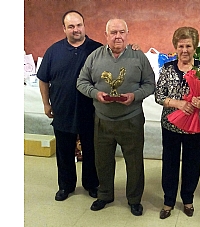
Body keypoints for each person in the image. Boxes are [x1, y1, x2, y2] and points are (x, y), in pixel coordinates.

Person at [37, 10, 140, 202]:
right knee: (64, 152)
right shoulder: (53, 51)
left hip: (91, 111)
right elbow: (43, 79)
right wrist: (46, 103)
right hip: (62, 110)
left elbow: (119, 58)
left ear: (84, 26)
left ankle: (92, 184)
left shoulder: (98, 50)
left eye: (79, 25)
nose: (76, 30)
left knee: (93, 151)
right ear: (64, 29)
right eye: (71, 26)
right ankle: (65, 186)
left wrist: (132, 48)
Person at [76, 19, 155, 216]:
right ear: (106, 35)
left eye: (121, 32)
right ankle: (104, 195)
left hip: (131, 119)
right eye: (113, 32)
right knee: (102, 161)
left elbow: (150, 84)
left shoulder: (138, 57)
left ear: (128, 34)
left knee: (134, 162)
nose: (117, 36)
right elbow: (81, 81)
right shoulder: (94, 57)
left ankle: (134, 199)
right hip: (102, 119)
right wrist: (96, 94)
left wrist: (134, 96)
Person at [154, 26, 200, 219]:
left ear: (195, 47)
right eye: (181, 46)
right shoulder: (167, 68)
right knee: (170, 163)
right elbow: (159, 96)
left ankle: (188, 199)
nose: (184, 50)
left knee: (193, 164)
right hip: (170, 126)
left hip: (197, 127)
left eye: (188, 46)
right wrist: (179, 104)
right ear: (175, 47)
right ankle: (168, 201)